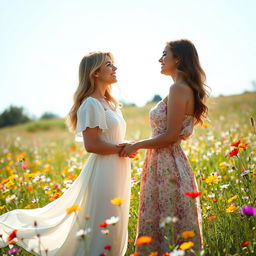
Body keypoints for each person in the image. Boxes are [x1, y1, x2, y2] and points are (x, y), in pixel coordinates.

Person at [0, 51, 135, 256]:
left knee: (115, 225)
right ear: (95, 73)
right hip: (105, 170)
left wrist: (125, 148)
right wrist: (124, 147)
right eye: (109, 65)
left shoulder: (111, 104)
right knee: (103, 223)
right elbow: (92, 145)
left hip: (119, 167)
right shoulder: (91, 103)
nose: (115, 68)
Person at [119, 39, 209, 255]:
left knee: (166, 224)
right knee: (168, 223)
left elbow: (169, 136)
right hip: (169, 162)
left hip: (167, 164)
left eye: (164, 54)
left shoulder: (178, 88)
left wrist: (136, 145)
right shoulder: (182, 88)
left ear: (177, 58)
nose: (159, 59)